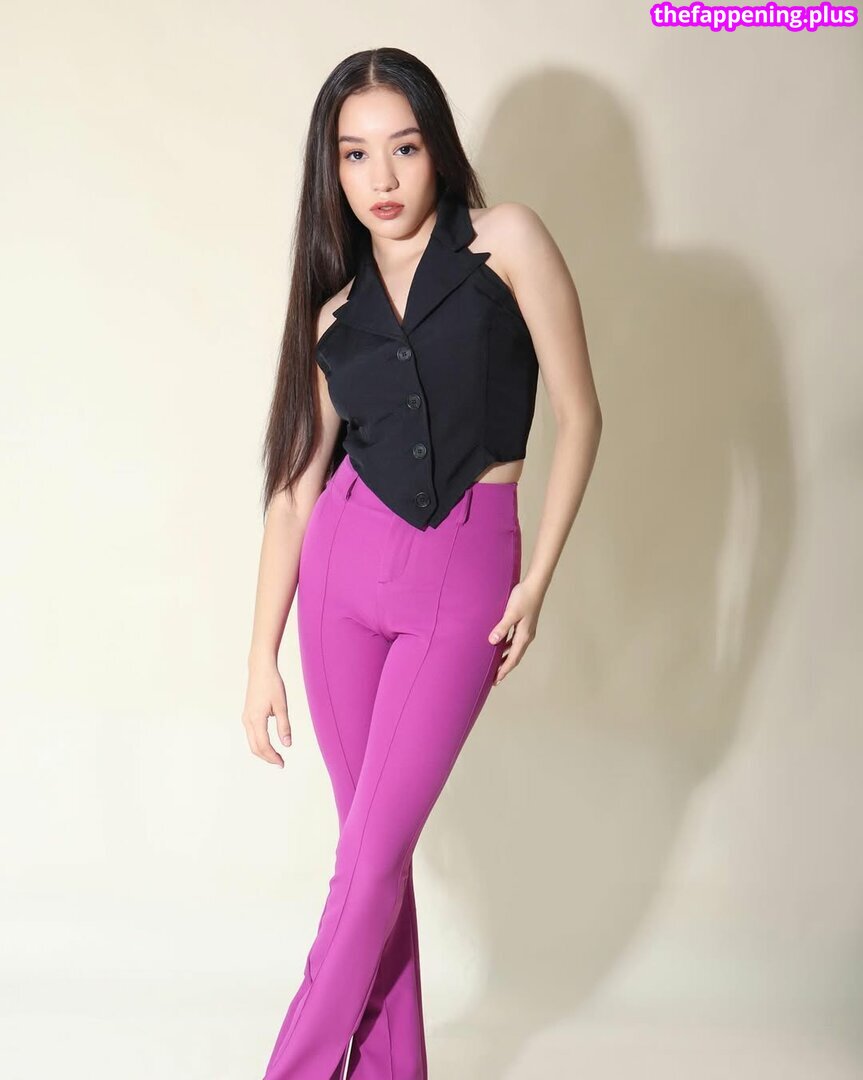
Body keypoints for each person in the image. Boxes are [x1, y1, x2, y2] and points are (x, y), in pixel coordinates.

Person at [242, 46, 601, 1080]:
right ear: (332, 171)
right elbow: (293, 492)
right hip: (340, 578)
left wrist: (537, 580)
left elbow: (579, 414)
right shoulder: (333, 317)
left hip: (465, 570)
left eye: (401, 147)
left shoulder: (505, 242)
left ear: (436, 146)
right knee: (374, 861)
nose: (382, 177)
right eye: (354, 155)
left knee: (367, 863)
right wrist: (260, 655)